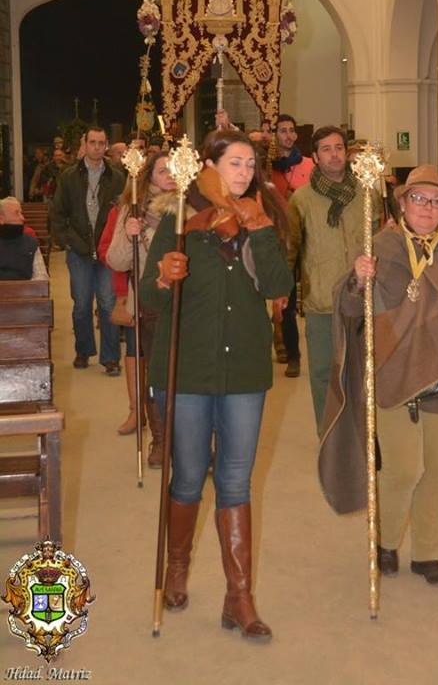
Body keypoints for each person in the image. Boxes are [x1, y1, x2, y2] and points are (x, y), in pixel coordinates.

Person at [140, 129, 292, 641]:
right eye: (235, 163)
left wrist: (260, 228)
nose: (244, 172)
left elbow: (279, 287)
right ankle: (177, 568)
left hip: (245, 370)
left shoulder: (264, 218)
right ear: (209, 166)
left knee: (235, 481)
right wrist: (164, 277)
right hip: (187, 369)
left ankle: (238, 597)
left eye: (250, 164)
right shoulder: (179, 219)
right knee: (187, 477)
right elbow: (149, 299)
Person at [319, 165, 438, 586]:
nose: (428, 208)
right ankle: (385, 543)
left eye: (436, 201)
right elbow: (349, 309)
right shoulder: (379, 248)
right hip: (394, 373)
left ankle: (427, 553)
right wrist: (356, 280)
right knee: (401, 470)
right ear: (402, 204)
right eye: (419, 199)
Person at [288, 125, 378, 430]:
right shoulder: (301, 199)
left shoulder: (367, 193)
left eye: (339, 148)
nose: (334, 154)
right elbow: (291, 248)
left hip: (364, 298)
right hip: (322, 301)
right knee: (325, 373)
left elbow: (379, 240)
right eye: (326, 149)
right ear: (315, 156)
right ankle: (328, 434)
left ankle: (362, 433)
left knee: (363, 371)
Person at [100, 153, 177, 463]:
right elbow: (117, 261)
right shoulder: (133, 210)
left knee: (190, 374)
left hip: (189, 302)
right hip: (151, 303)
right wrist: (128, 233)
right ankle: (160, 439)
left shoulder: (192, 206)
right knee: (157, 373)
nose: (170, 175)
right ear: (149, 177)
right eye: (162, 170)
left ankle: (194, 441)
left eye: (174, 169)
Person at [51, 126, 125, 373]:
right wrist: (66, 240)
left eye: (101, 143)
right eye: (92, 142)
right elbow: (57, 213)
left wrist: (118, 242)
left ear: (106, 146)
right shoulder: (69, 176)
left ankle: (111, 358)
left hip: (107, 250)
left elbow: (124, 212)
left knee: (107, 303)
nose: (96, 147)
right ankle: (83, 350)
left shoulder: (117, 177)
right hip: (78, 249)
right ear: (85, 144)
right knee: (82, 303)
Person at [270, 114, 314, 378]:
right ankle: (292, 355)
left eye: (291, 130)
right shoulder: (268, 167)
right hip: (279, 240)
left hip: (307, 236)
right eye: (282, 130)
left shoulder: (308, 165)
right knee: (285, 298)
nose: (287, 135)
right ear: (275, 135)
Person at [0, 197, 48, 281]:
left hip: (26, 288)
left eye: (21, 213)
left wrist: (25, 287)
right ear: (1, 219)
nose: (22, 218)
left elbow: (41, 276)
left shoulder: (31, 242)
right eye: (16, 213)